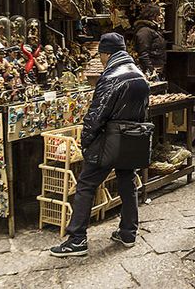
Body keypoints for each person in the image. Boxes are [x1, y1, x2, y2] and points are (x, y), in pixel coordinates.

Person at [50, 33, 149, 257]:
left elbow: (97, 114)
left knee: (85, 184)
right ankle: (128, 232)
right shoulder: (138, 74)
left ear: (106, 53)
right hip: (131, 139)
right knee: (127, 181)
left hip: (109, 140)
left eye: (101, 55)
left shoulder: (111, 76)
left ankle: (77, 239)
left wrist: (86, 141)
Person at [133, 4, 166, 75]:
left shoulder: (153, 30)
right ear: (152, 15)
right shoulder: (145, 31)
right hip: (151, 70)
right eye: (159, 14)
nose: (161, 17)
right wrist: (151, 69)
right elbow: (143, 53)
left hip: (156, 67)